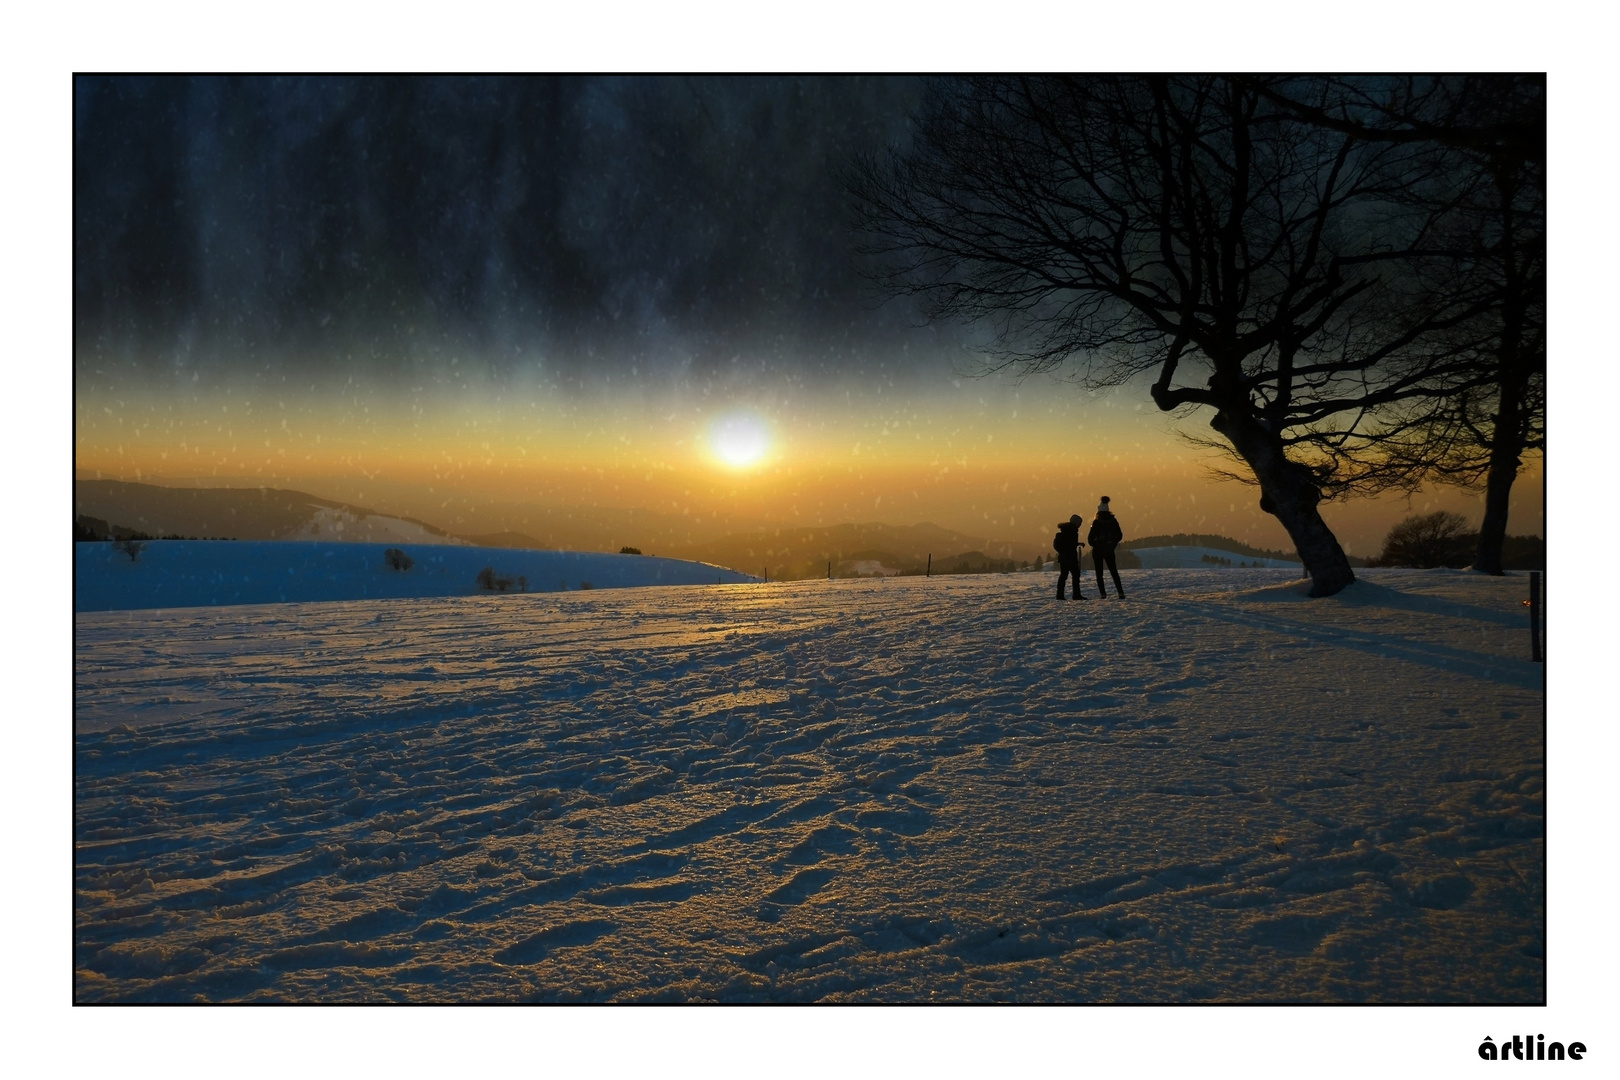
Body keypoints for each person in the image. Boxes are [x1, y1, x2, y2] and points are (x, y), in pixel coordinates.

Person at [1088, 496, 1125, 599]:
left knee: (1099, 573)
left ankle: (1103, 594)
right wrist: (1112, 544)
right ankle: (1120, 592)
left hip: (1098, 551)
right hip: (1109, 550)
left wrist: (1097, 545)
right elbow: (1120, 535)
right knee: (1114, 571)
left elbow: (1090, 539)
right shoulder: (1113, 521)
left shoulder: (1096, 522)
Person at [1053, 514, 1086, 600]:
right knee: (1075, 575)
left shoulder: (1065, 531)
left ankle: (1060, 595)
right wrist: (1076, 544)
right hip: (1071, 557)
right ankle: (1076, 595)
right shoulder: (1072, 531)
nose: (1080, 525)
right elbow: (1070, 543)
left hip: (1064, 557)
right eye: (1080, 523)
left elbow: (1066, 543)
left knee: (1064, 576)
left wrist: (1077, 544)